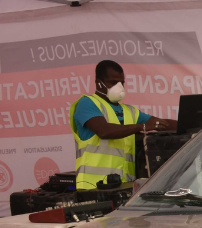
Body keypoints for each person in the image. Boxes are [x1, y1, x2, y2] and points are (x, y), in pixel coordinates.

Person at [70, 59, 177, 189]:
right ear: (99, 83)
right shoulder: (87, 103)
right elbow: (104, 131)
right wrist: (142, 127)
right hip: (93, 186)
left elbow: (159, 123)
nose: (119, 86)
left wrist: (193, 123)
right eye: (113, 82)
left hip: (124, 185)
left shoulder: (130, 112)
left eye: (122, 82)